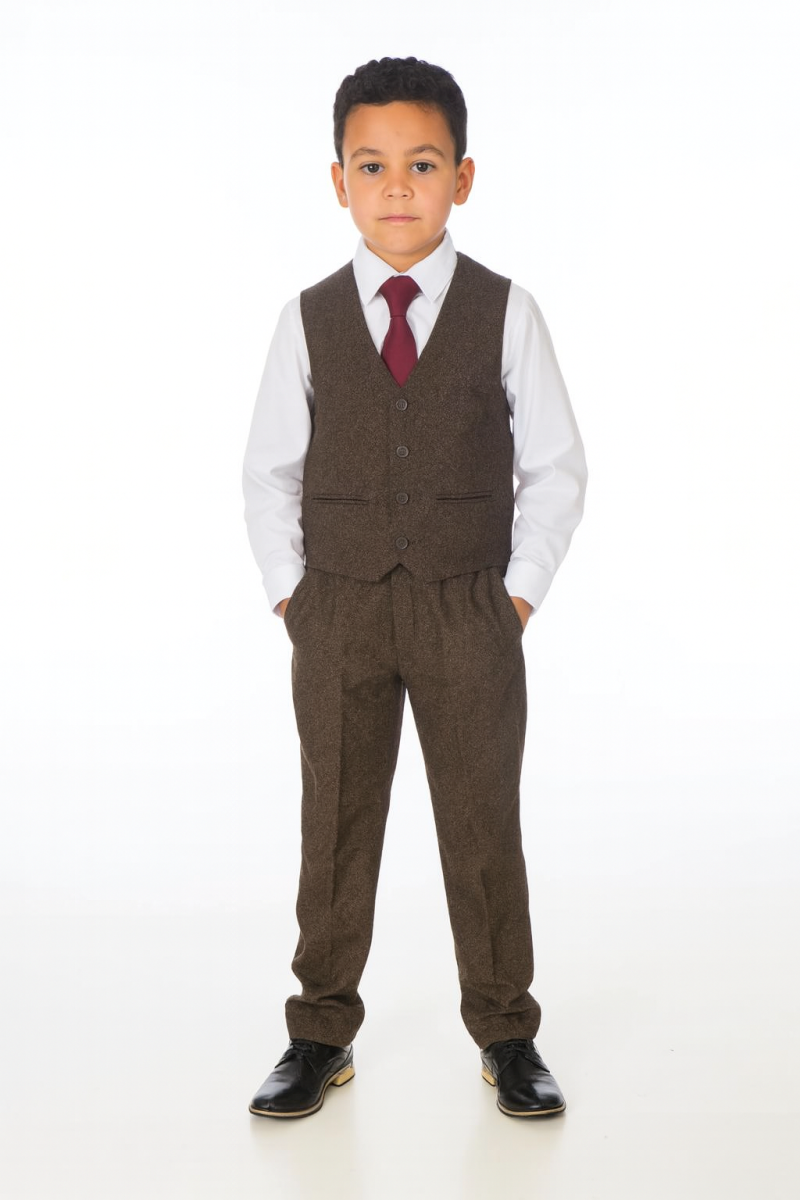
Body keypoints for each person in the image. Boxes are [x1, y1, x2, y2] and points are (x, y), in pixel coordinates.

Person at [242, 56, 587, 1120]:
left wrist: (513, 598)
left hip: (466, 609)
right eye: (372, 165)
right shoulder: (307, 318)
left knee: (481, 823)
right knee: (335, 823)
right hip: (339, 609)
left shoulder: (505, 311)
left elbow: (556, 468)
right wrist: (295, 598)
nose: (398, 186)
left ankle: (506, 1031)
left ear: (462, 178)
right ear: (338, 181)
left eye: (423, 164)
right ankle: (318, 1032)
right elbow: (268, 472)